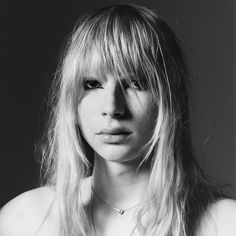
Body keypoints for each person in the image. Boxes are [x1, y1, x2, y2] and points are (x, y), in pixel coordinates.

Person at [0, 4, 235, 236]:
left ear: (170, 98)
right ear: (71, 99)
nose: (112, 108)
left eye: (136, 83)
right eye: (92, 84)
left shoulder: (226, 224)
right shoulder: (22, 221)